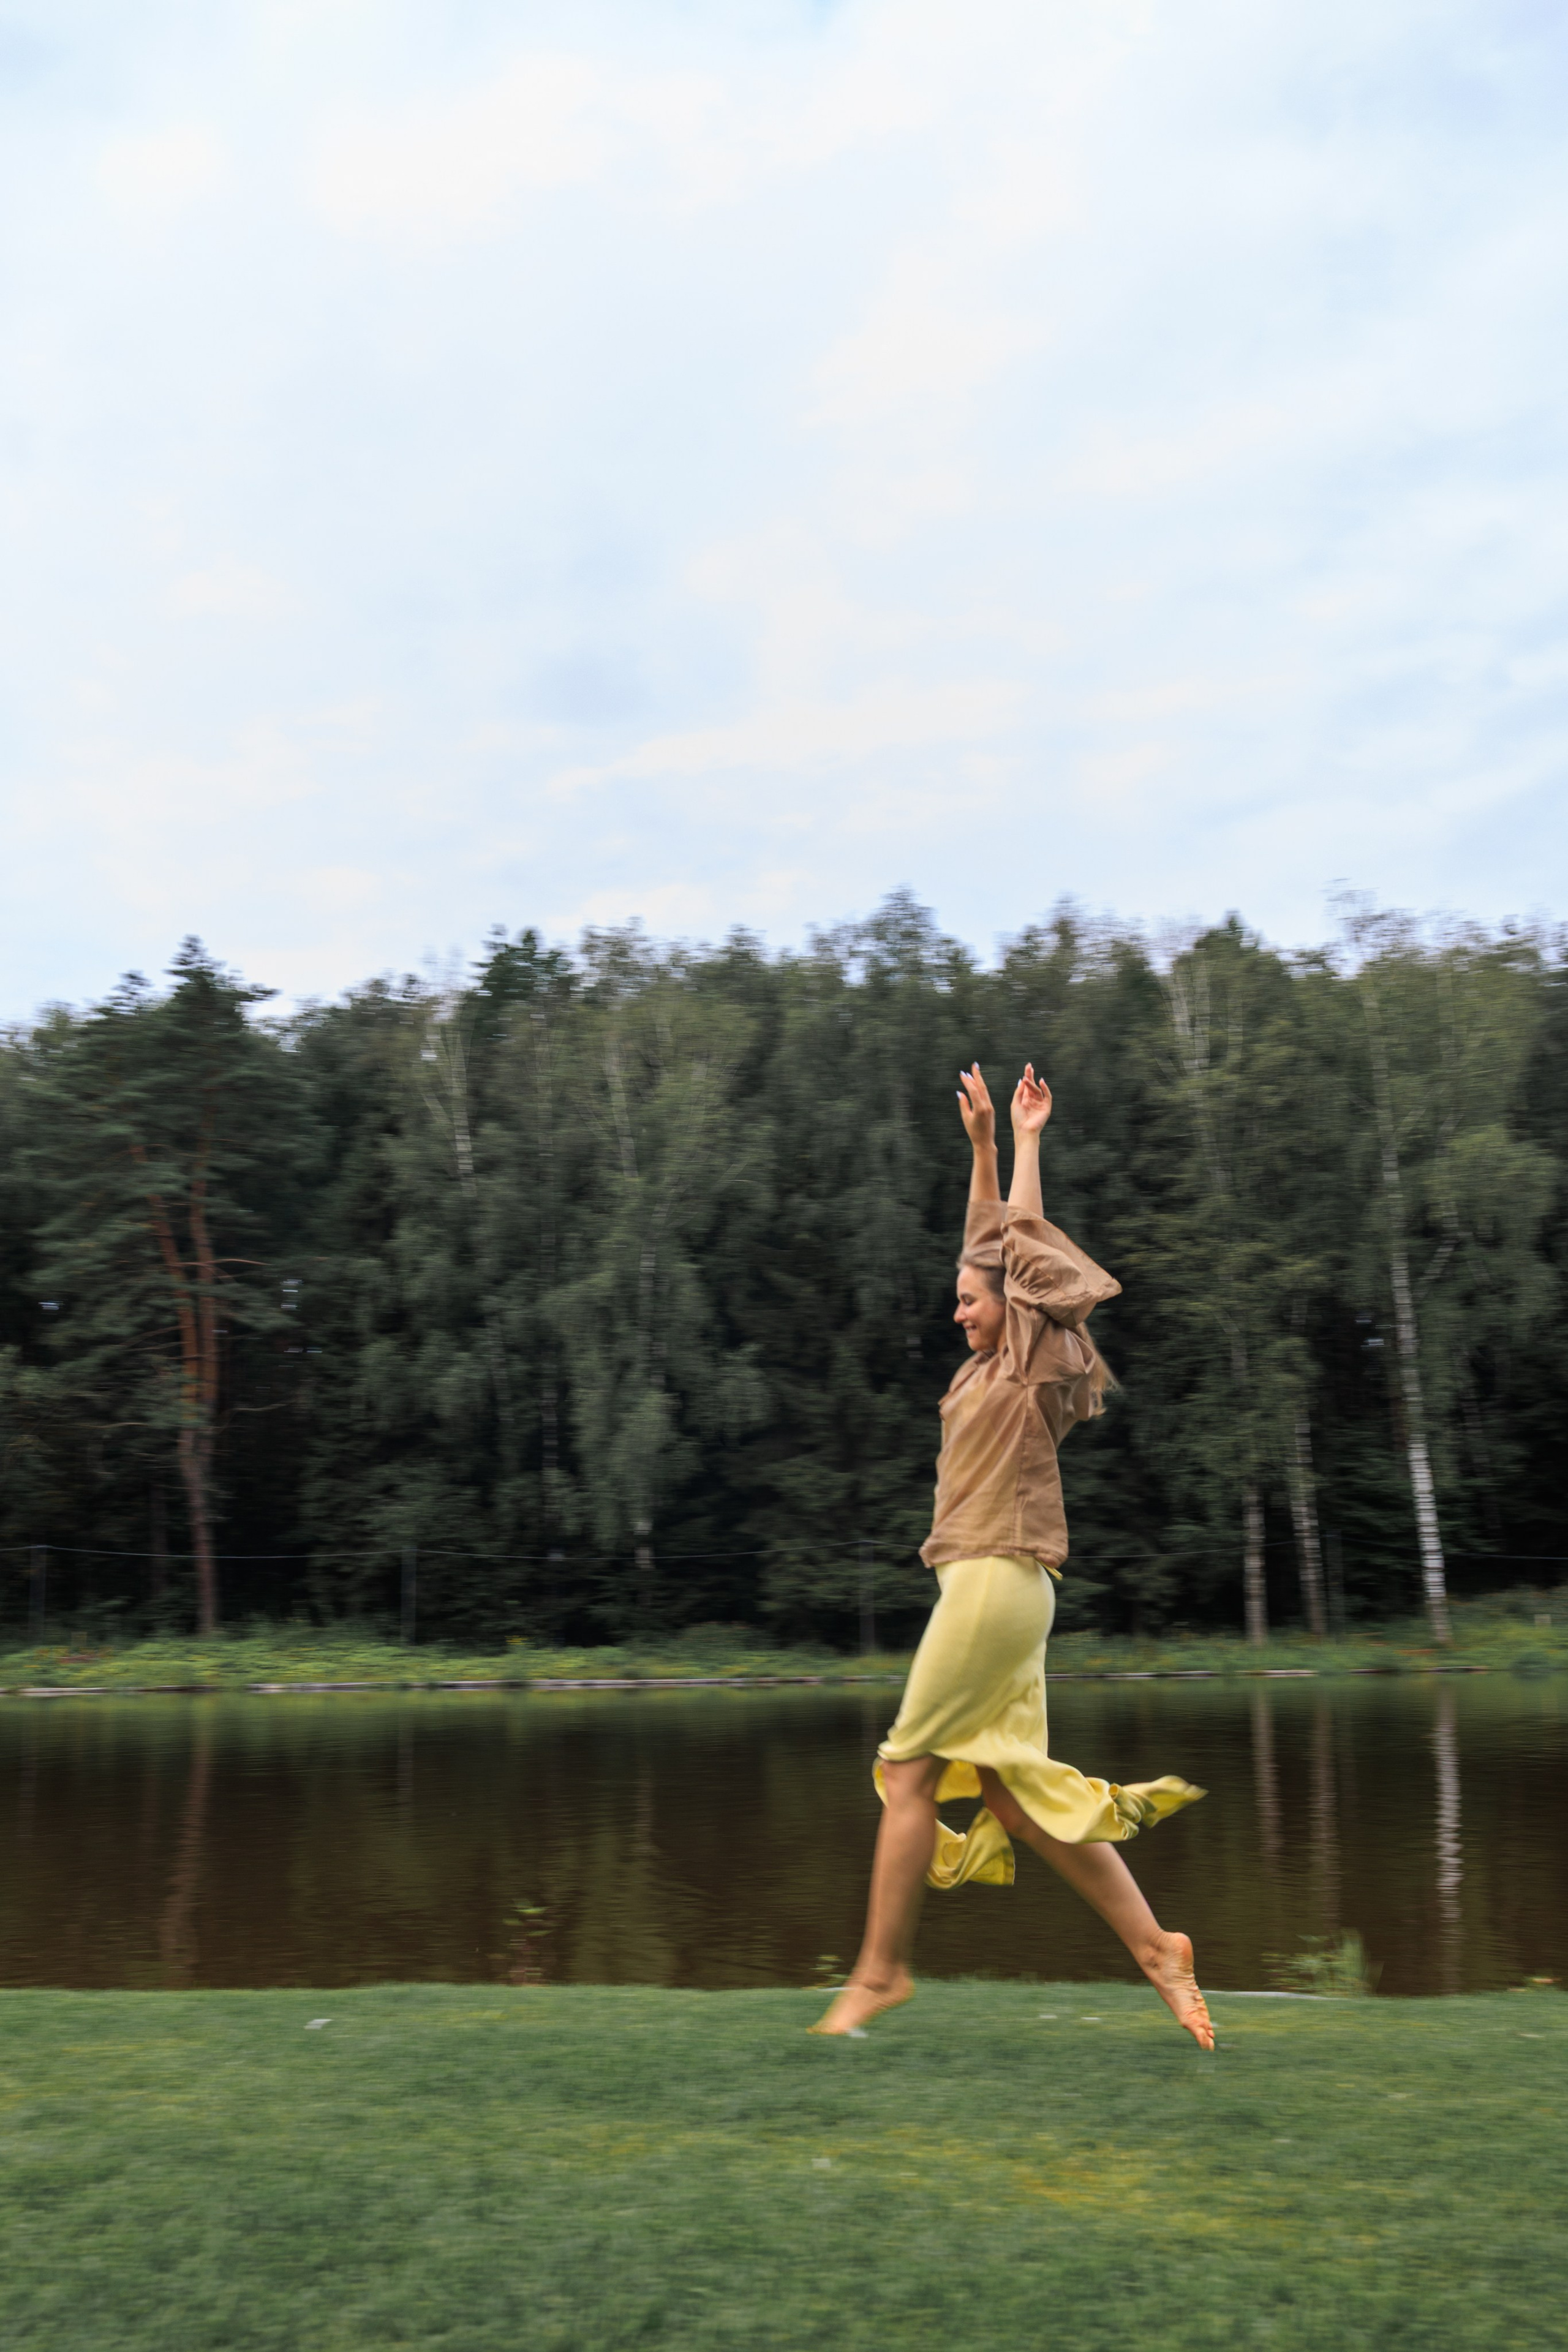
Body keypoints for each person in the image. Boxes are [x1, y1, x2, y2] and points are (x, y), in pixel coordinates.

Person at [812, 1062, 1214, 2049]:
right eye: (958, 1299)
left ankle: (880, 1974)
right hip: (1003, 1587)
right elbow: (989, 1251)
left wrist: (1030, 1147)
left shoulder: (1032, 1360)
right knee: (1014, 1798)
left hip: (996, 1583)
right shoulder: (984, 1369)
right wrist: (986, 1146)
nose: (959, 1308)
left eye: (969, 1301)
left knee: (908, 1776)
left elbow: (1020, 1258)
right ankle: (1159, 1949)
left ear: (1014, 1310)